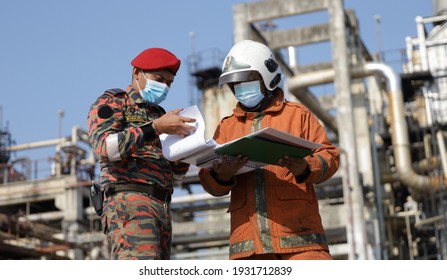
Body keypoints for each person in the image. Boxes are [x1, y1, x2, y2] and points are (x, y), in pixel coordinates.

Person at [198, 40, 340, 260]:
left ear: (267, 77)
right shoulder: (227, 127)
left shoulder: (297, 115)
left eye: (247, 80)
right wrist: (221, 176)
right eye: (235, 84)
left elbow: (329, 157)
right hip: (249, 248)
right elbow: (209, 180)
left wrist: (305, 167)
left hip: (302, 241)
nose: (241, 88)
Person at [87, 47, 195, 260]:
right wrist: (156, 128)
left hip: (161, 207)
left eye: (169, 83)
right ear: (137, 73)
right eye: (158, 79)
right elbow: (105, 148)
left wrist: (187, 149)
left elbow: (175, 175)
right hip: (130, 203)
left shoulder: (159, 115)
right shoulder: (115, 101)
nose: (164, 86)